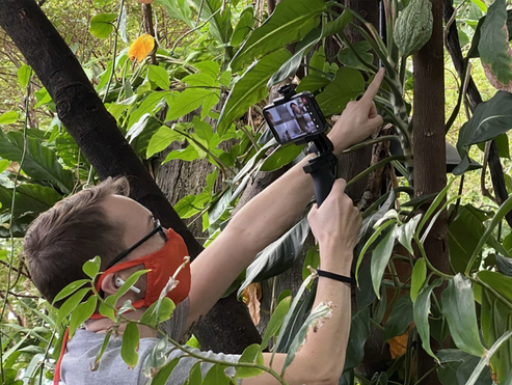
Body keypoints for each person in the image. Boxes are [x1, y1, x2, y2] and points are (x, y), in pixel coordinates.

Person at [23, 69, 385, 385]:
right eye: (155, 231)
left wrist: (332, 144)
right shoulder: (139, 372)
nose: (172, 237)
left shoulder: (113, 324)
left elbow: (241, 236)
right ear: (119, 282)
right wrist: (336, 249)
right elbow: (313, 372)